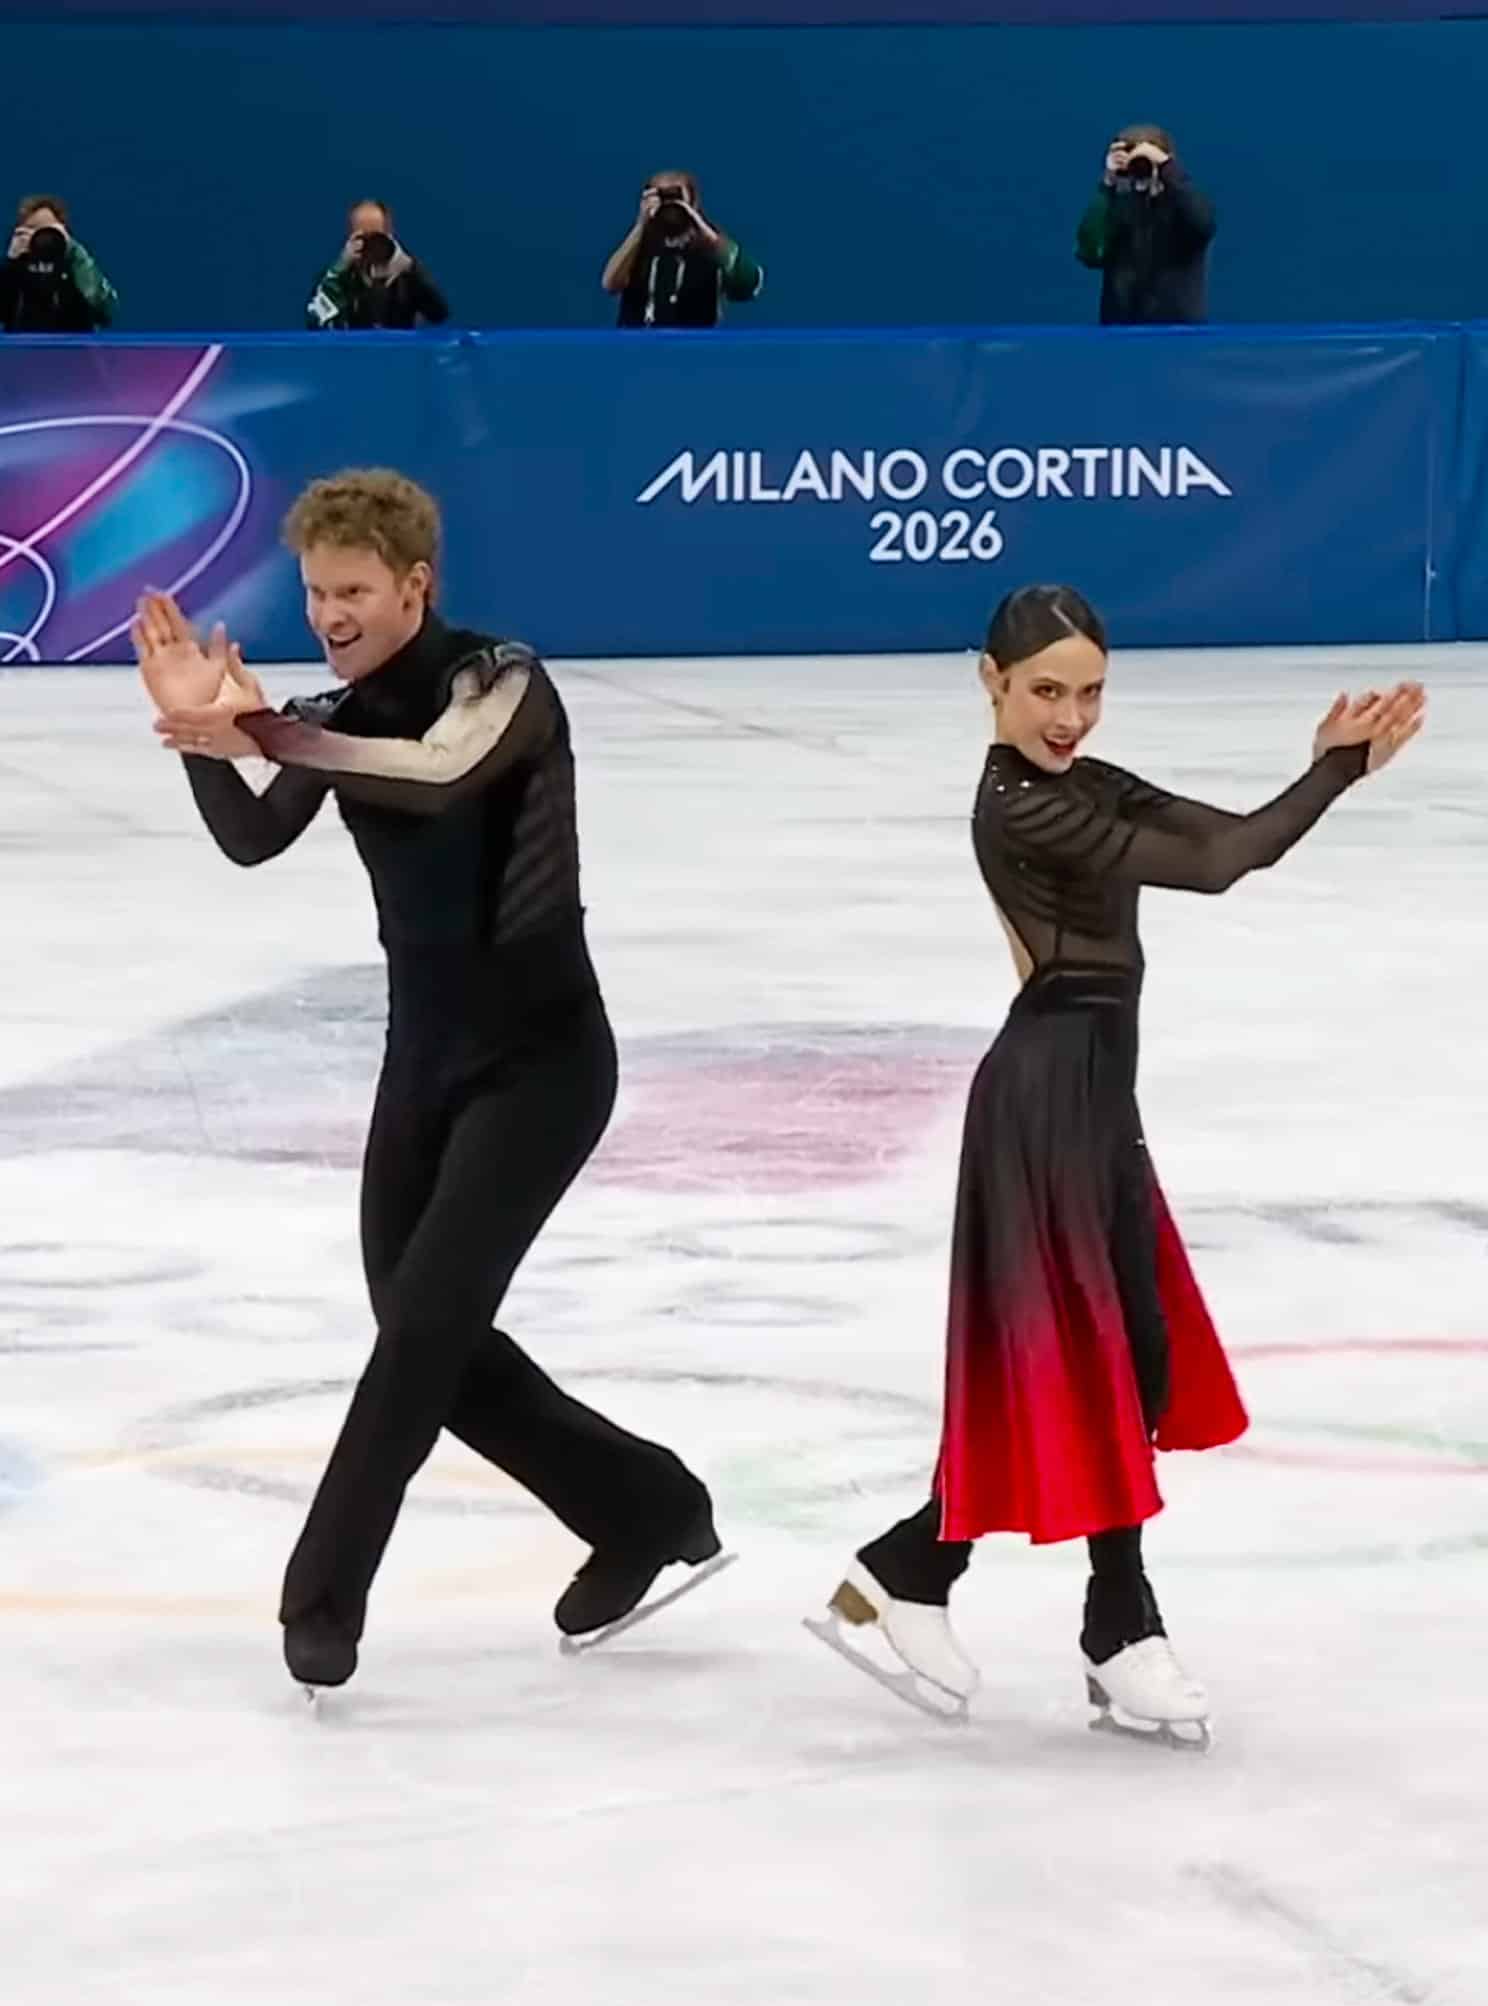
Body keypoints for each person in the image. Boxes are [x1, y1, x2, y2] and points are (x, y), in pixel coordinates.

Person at [131, 468, 723, 1691]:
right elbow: (255, 834)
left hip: (545, 1060)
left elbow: (437, 769)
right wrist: (206, 736)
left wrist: (258, 728)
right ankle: (646, 1502)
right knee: (423, 1325)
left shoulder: (499, 678)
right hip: (425, 1056)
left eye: (353, 589)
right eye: (313, 591)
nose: (330, 611)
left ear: (415, 583)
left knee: (417, 1343)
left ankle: (323, 1596)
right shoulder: (330, 708)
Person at [807, 585, 1425, 1747]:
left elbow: (1215, 834)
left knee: (1130, 1355)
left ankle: (916, 1571)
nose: (1070, 714)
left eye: (1090, 690)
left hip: (1091, 1097)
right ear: (987, 682)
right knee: (1092, 1357)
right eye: (1046, 690)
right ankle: (1111, 1622)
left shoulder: (1084, 786)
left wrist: (1324, 765)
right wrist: (1335, 774)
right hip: (1044, 1098)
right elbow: (1224, 865)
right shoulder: (1021, 808)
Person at [1076, 125, 1215, 326]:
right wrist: (1107, 185)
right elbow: (1089, 251)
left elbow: (1203, 224)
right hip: (1121, 333)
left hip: (1179, 333)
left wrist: (1167, 169)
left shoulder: (1182, 208)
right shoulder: (1116, 207)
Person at [602, 171, 763, 328]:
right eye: (662, 196)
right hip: (639, 346)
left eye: (676, 195)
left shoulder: (711, 250)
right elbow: (610, 284)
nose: (669, 204)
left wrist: (706, 233)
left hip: (695, 348)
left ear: (692, 200)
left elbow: (749, 285)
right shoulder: (638, 248)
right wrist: (641, 224)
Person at [307, 199, 449, 331]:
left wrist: (413, 270)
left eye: (377, 237)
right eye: (363, 237)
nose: (371, 245)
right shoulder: (339, 275)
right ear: (350, 236)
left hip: (400, 355)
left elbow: (438, 314)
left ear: (389, 234)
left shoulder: (406, 272)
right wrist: (338, 271)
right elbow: (314, 321)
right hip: (353, 355)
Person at [0, 194, 117, 334]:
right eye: (34, 229)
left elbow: (105, 309)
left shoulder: (76, 264)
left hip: (74, 353)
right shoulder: (15, 268)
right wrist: (10, 262)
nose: (41, 237)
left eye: (48, 230)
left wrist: (75, 253)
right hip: (20, 352)